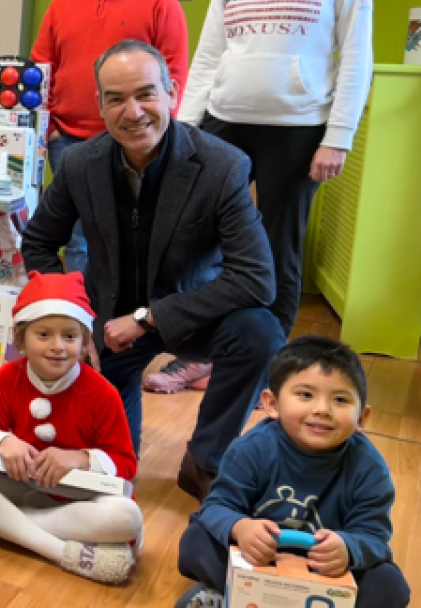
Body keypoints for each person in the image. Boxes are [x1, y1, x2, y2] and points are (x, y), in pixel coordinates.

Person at [20, 40, 284, 501]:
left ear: (172, 93)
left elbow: (256, 277)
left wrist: (150, 318)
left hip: (196, 314)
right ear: (100, 105)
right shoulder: (81, 165)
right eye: (116, 98)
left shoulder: (222, 166)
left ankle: (207, 460)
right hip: (111, 323)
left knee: (260, 332)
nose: (133, 111)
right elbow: (40, 241)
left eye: (145, 94)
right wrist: (73, 320)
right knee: (113, 472)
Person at [179, 0, 374, 340]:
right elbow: (210, 53)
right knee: (197, 236)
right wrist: (184, 129)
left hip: (297, 128)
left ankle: (268, 357)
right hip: (224, 119)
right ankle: (199, 348)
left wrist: (338, 136)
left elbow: (357, 54)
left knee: (276, 250)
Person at [176, 336, 410, 608]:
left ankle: (234, 598)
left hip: (326, 575)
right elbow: (218, 505)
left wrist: (348, 547)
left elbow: (374, 534)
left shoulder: (368, 466)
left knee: (390, 585)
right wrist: (241, 528)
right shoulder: (252, 449)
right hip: (258, 560)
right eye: (306, 395)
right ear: (272, 404)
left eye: (340, 399)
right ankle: (236, 594)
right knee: (196, 540)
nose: (322, 410)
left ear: (362, 418)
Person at [0, 271, 142, 585]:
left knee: (127, 518)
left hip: (77, 501)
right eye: (44, 335)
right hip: (19, 486)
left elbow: (126, 463)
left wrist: (80, 459)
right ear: (21, 339)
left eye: (70, 336)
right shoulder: (5, 379)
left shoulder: (102, 392)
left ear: (84, 343)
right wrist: (3, 442)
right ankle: (60, 551)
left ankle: (1, 523)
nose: (58, 346)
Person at [30, 0, 189, 275]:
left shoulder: (160, 0)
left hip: (134, 142)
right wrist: (50, 127)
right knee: (78, 238)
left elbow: (174, 71)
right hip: (69, 144)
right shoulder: (60, 7)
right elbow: (39, 71)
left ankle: (131, 317)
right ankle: (82, 319)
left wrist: (158, 132)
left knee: (135, 233)